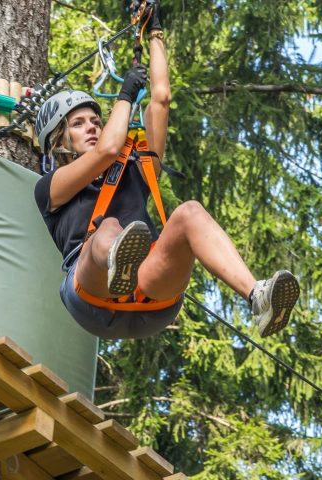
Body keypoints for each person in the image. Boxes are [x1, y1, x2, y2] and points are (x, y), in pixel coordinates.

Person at [32, 7, 301, 340]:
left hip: (151, 296)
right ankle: (118, 265)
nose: (92, 127)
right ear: (59, 140)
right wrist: (125, 95)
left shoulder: (135, 169)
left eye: (95, 122)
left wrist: (154, 33)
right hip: (91, 296)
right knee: (110, 227)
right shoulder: (51, 189)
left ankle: (257, 297)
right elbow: (106, 151)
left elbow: (160, 99)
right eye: (78, 123)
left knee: (189, 212)